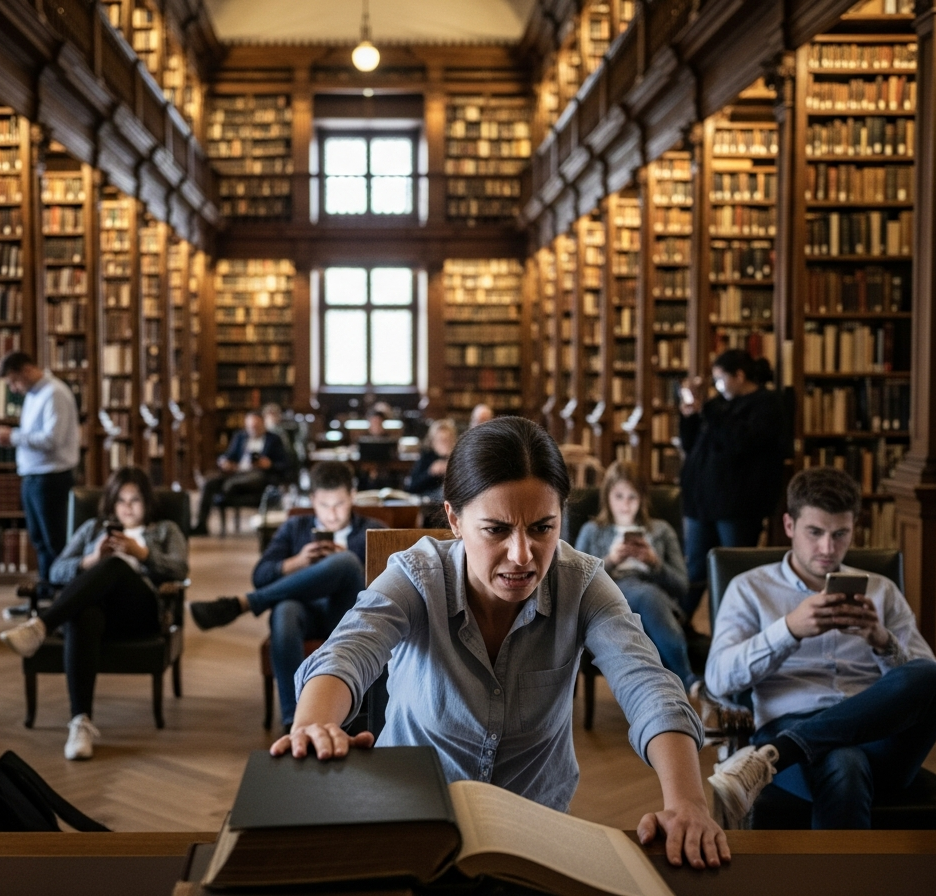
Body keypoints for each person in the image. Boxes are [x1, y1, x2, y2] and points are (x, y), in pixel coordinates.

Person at [275, 417, 728, 870]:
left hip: (536, 838)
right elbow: (347, 650)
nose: (522, 556)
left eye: (542, 528)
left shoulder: (582, 581)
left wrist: (687, 802)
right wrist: (314, 725)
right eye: (496, 530)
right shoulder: (418, 575)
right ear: (454, 519)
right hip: (411, 823)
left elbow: (647, 683)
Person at [704, 467, 936, 830]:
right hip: (789, 721)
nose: (827, 548)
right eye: (814, 533)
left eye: (840, 534)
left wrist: (882, 642)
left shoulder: (881, 591)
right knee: (843, 761)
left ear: (854, 529)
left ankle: (773, 756)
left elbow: (925, 690)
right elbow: (719, 678)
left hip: (881, 740)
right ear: (789, 525)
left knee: (932, 674)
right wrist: (788, 630)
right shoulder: (749, 588)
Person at [0, 466, 188, 760]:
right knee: (83, 613)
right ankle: (80, 723)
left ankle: (40, 627)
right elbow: (55, 570)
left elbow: (180, 569)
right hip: (94, 613)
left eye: (135, 500)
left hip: (138, 613)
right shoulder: (92, 529)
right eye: (121, 500)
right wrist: (91, 559)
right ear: (111, 503)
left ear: (147, 502)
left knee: (115, 567)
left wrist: (143, 554)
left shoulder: (165, 530)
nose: (127, 507)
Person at [189, 461, 386, 731]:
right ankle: (294, 721)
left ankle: (246, 603)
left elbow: (386, 586)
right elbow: (260, 575)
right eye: (324, 505)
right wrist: (297, 562)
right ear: (313, 500)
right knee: (284, 610)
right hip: (305, 613)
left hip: (348, 615)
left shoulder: (373, 529)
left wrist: (342, 567)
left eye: (339, 504)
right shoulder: (295, 527)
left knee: (347, 563)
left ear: (352, 497)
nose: (332, 513)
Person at [678, 348, 787, 620]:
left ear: (739, 376)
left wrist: (708, 412)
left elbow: (739, 443)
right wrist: (689, 416)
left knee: (733, 571)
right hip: (702, 502)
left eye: (720, 379)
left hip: (738, 506)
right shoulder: (717, 405)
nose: (717, 386)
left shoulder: (767, 404)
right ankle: (683, 624)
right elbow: (691, 446)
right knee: (695, 568)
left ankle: (731, 628)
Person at [574, 461, 698, 695]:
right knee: (643, 596)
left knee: (647, 597)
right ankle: (687, 680)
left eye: (632, 497)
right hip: (608, 597)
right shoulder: (592, 530)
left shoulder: (661, 531)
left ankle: (661, 694)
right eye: (619, 496)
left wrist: (654, 563)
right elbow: (577, 582)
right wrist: (610, 560)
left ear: (642, 498)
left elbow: (682, 586)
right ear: (607, 496)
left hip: (655, 600)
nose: (626, 504)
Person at [0, 351, 80, 601]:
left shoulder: (54, 394)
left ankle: (63, 598)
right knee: (39, 541)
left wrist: (12, 437)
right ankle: (47, 596)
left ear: (27, 370)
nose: (14, 389)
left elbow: (52, 439)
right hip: (34, 476)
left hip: (52, 477)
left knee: (54, 541)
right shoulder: (34, 395)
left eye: (14, 381)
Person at [194, 410, 288, 535]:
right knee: (210, 482)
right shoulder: (240, 437)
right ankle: (201, 525)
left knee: (254, 477)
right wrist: (225, 462)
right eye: (250, 426)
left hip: (260, 476)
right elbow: (227, 456)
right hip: (237, 472)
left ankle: (229, 487)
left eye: (256, 426)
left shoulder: (274, 439)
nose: (253, 429)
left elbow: (284, 464)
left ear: (263, 424)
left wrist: (269, 464)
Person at [406, 418, 456, 501]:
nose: (444, 444)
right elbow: (411, 487)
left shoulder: (456, 457)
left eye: (447, 440)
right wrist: (430, 472)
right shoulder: (426, 456)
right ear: (433, 441)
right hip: (428, 499)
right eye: (440, 440)